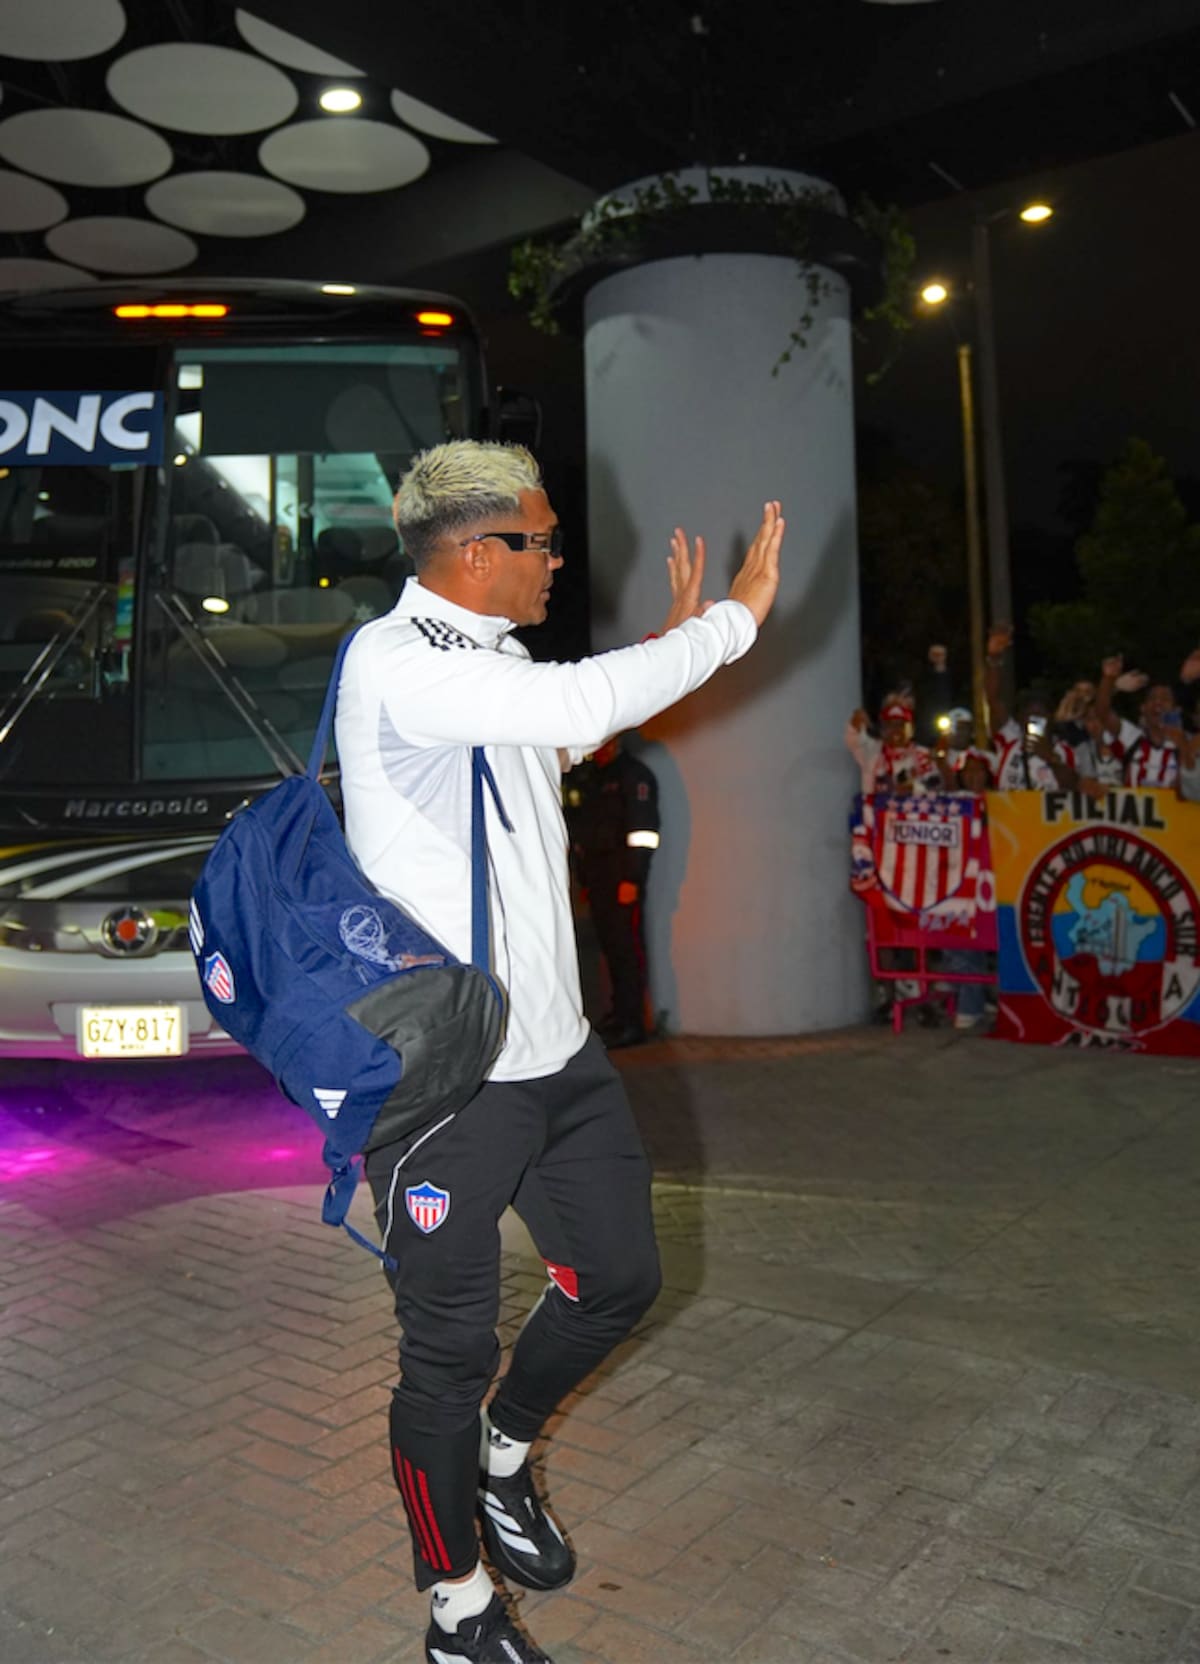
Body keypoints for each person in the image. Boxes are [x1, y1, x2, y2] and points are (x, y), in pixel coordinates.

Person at [333, 440, 784, 1664]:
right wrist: (733, 622)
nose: (556, 557)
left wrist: (663, 655)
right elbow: (577, 706)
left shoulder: (492, 663)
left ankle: (503, 1452)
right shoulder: (395, 660)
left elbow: (560, 738)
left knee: (622, 1277)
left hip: (559, 1057)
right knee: (446, 1353)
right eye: (540, 539)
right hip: (445, 1079)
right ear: (480, 553)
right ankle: (455, 1608)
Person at [564, 734, 660, 1048]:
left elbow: (642, 832)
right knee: (612, 951)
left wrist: (632, 880)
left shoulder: (633, 776)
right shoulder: (598, 777)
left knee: (627, 952)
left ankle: (633, 1023)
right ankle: (618, 1016)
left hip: (621, 881)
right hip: (600, 880)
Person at [983, 625, 1079, 791]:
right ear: (1019, 719)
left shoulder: (1063, 751)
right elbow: (993, 699)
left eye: (1040, 714)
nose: (1034, 719)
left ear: (1051, 717)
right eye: (1028, 714)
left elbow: (1073, 786)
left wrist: (1050, 758)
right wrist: (994, 658)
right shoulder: (1011, 739)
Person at [845, 695, 942, 796]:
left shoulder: (922, 754)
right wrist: (854, 724)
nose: (896, 730)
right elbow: (854, 741)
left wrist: (913, 788)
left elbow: (935, 785)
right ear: (882, 729)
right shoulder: (873, 752)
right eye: (890, 725)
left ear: (911, 729)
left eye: (901, 725)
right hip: (878, 810)